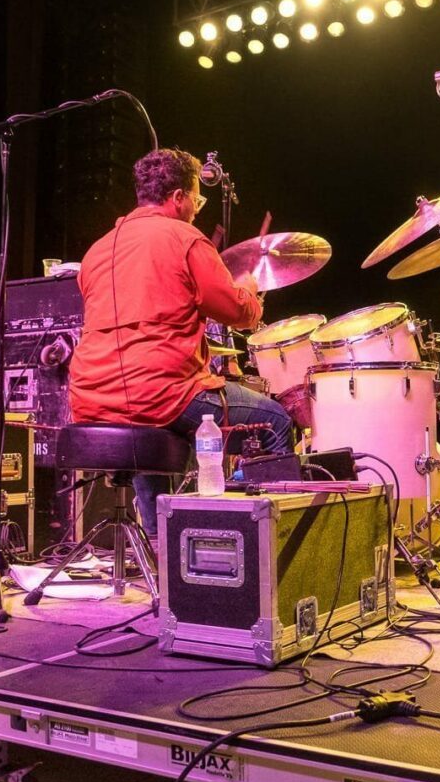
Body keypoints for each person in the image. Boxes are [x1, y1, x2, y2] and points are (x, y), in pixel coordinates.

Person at [69, 148, 293, 540]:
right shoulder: (185, 238)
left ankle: (160, 545)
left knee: (148, 417)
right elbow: (236, 312)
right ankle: (273, 547)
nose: (197, 210)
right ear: (178, 198)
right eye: (197, 199)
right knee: (276, 420)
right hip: (160, 392)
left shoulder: (96, 251)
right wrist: (250, 293)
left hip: (91, 397)